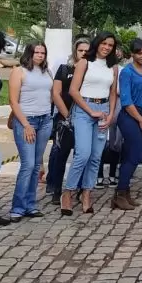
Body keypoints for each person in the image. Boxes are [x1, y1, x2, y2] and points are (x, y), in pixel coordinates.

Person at [60, 32, 119, 215]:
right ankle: (68, 193)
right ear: (97, 44)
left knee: (95, 156)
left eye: (110, 45)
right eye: (104, 43)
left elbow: (112, 93)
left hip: (103, 111)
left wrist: (109, 116)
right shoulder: (85, 62)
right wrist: (90, 110)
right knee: (83, 154)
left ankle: (87, 193)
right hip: (84, 109)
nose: (107, 47)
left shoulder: (113, 66)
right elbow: (73, 90)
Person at [5, 42, 53, 223]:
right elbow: (13, 100)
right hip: (27, 120)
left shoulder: (46, 72)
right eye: (36, 52)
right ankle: (17, 207)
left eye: (43, 52)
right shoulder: (19, 71)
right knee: (28, 164)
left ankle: (30, 205)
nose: (40, 55)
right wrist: (25, 125)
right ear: (29, 53)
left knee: (36, 167)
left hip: (45, 120)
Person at [113, 39, 142, 210]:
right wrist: (140, 120)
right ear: (132, 54)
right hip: (131, 116)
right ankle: (120, 192)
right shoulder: (127, 72)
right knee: (135, 154)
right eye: (140, 53)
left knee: (132, 155)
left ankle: (124, 190)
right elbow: (126, 100)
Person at [47, 38, 90, 205]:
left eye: (87, 50)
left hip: (84, 117)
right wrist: (66, 115)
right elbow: (56, 93)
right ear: (75, 51)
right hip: (65, 118)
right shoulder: (65, 69)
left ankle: (79, 189)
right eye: (80, 50)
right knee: (61, 155)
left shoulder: (91, 70)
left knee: (83, 155)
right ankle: (56, 190)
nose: (84, 53)